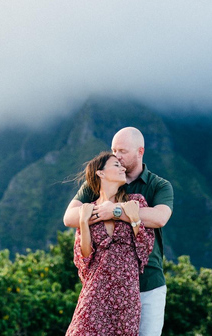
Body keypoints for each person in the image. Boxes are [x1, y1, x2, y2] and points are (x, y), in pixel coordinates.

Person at [64, 127, 174, 336]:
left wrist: (115, 211)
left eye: (122, 151)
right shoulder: (96, 184)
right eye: (114, 150)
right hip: (102, 288)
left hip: (148, 283)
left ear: (140, 152)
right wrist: (99, 211)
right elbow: (70, 217)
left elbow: (159, 218)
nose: (117, 156)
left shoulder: (158, 185)